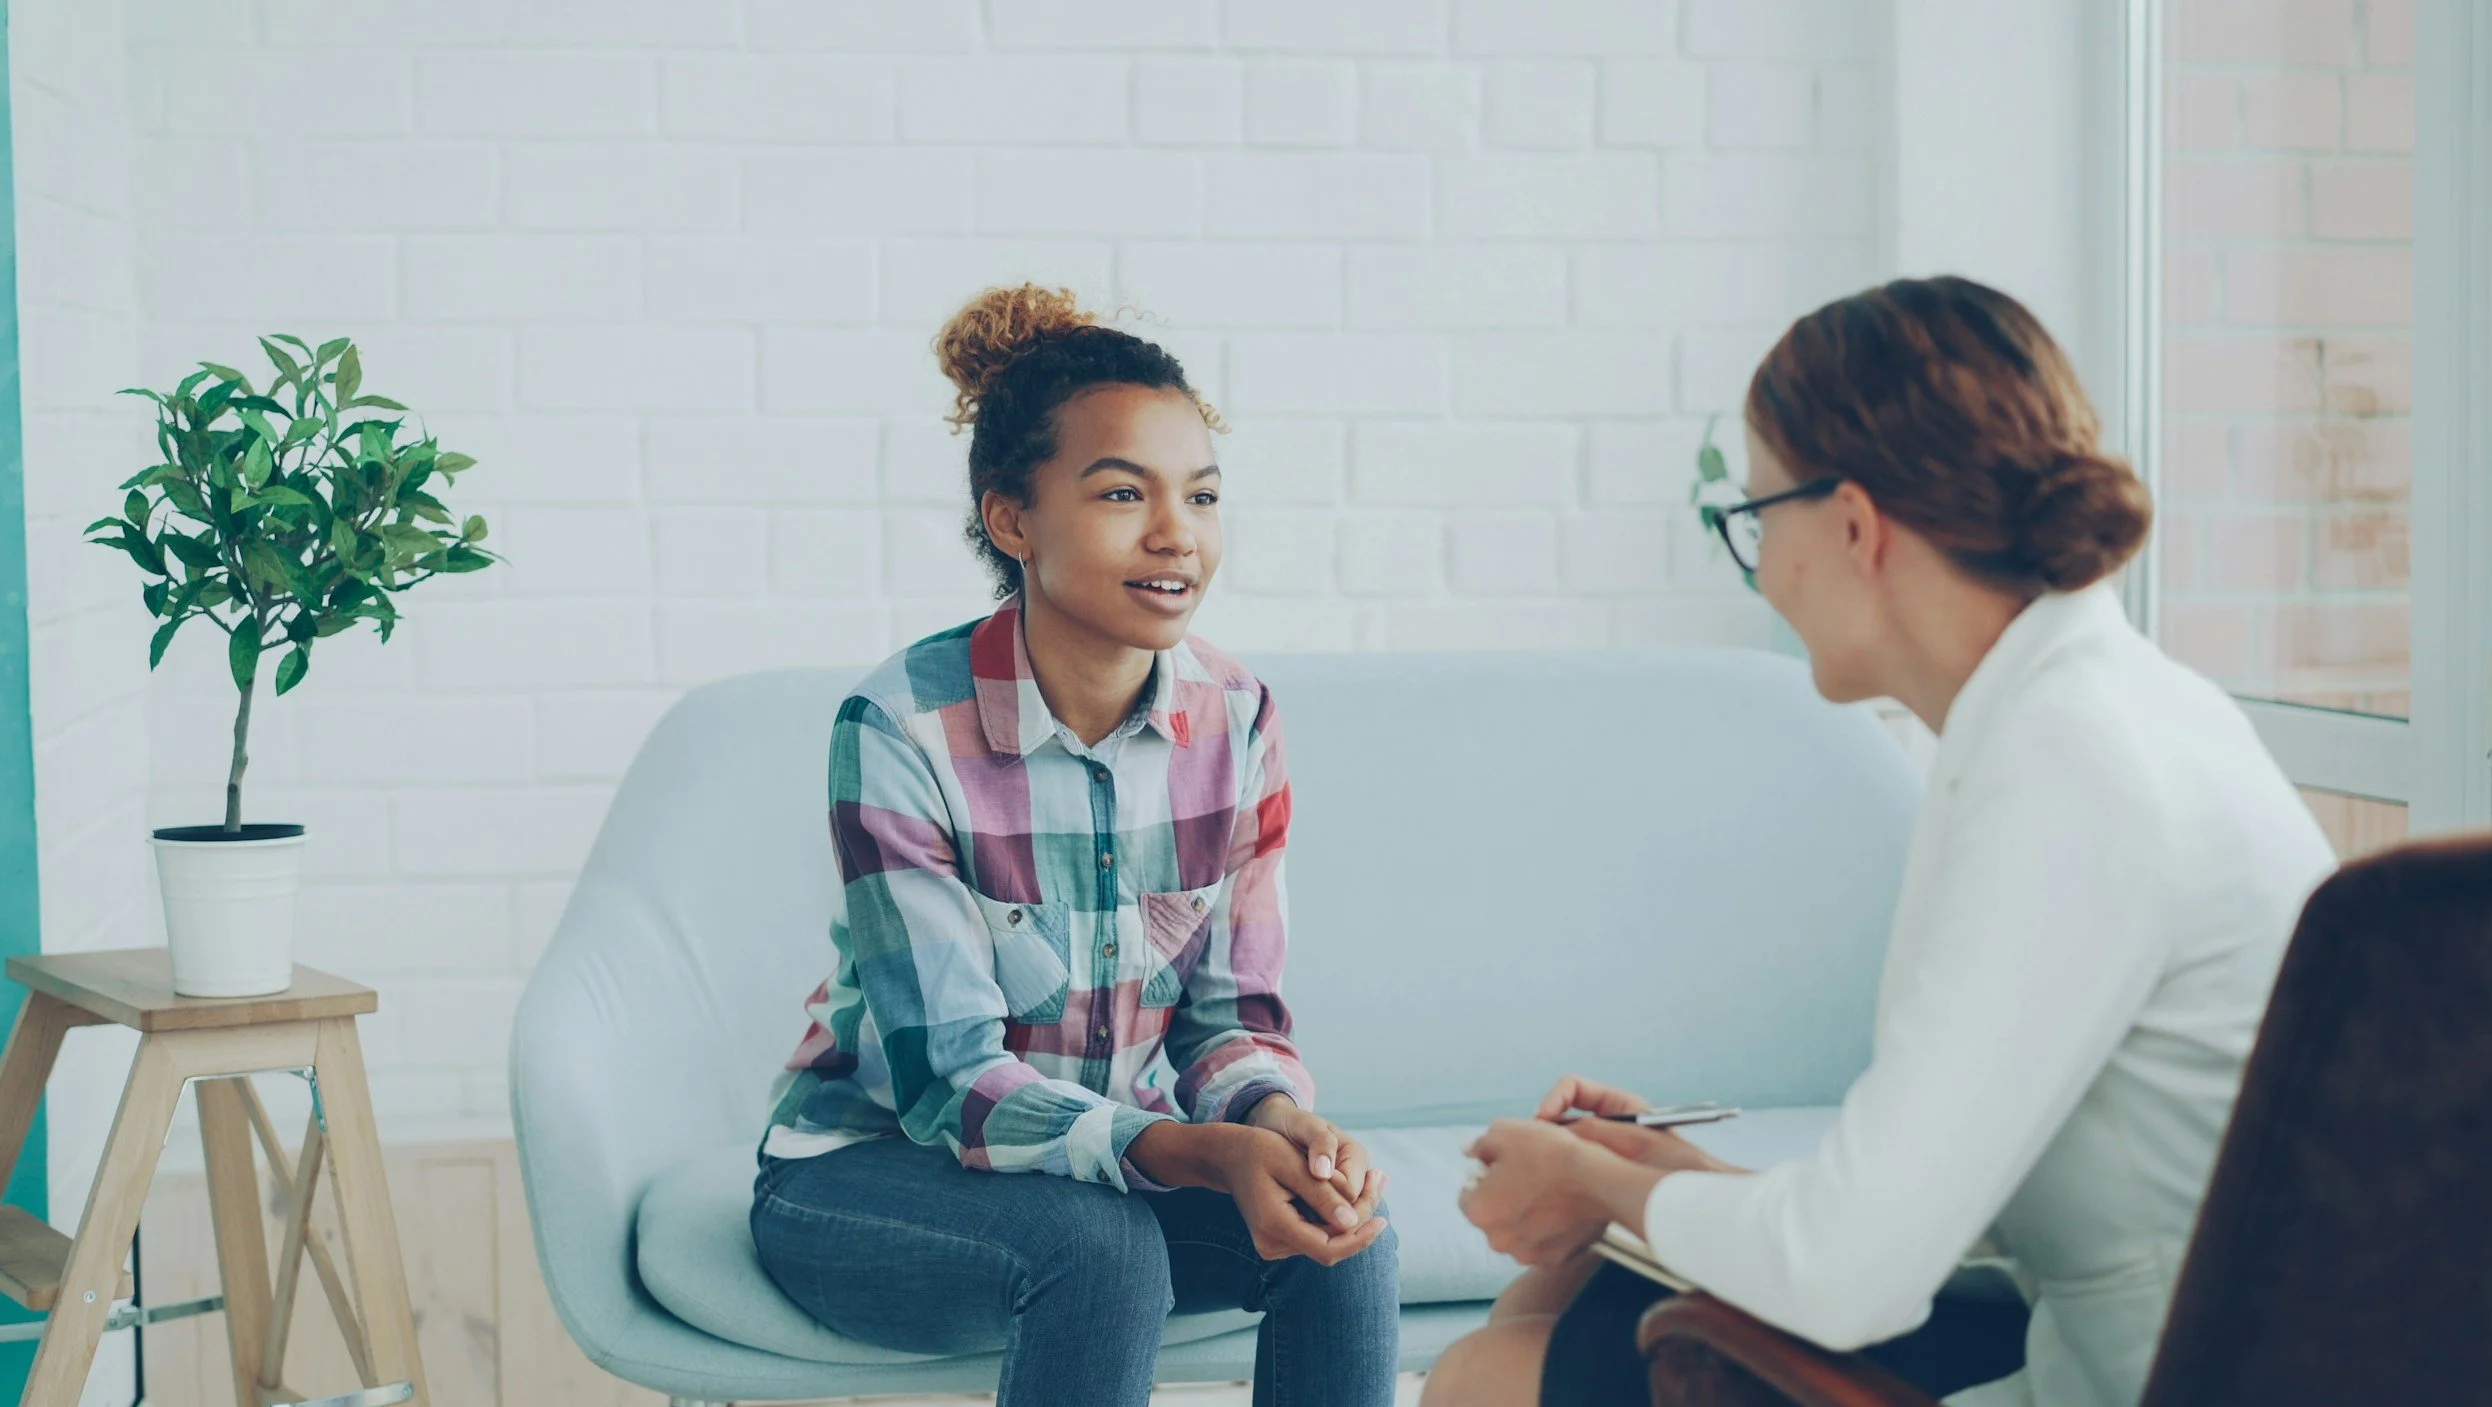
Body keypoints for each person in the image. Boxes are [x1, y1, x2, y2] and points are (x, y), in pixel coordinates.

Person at [1426, 275, 2336, 1407]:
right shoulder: (2098, 710)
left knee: (1483, 1376)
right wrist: (1674, 1181)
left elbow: (1850, 1280)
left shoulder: (2066, 763)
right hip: (2130, 1326)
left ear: (1853, 525)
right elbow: (1977, 1196)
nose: (1758, 565)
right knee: (1564, 1296)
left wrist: (1603, 1188)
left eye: (1754, 521)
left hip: (2143, 1378)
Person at [750, 285, 1399, 1407]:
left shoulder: (1237, 718)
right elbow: (950, 1083)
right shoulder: (902, 726)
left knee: (1341, 1236)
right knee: (1098, 1247)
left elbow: (1229, 1020)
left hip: (1106, 1176)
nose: (1175, 535)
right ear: (1013, 520)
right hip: (868, 1180)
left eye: (1199, 495)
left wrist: (1280, 1128)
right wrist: (1197, 1153)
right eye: (1120, 493)